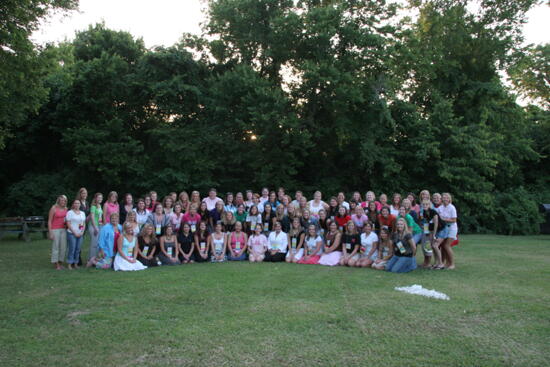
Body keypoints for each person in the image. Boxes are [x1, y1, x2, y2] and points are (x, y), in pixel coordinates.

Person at [437, 193, 458, 270]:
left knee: (447, 245)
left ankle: (452, 264)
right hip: (444, 228)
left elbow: (454, 220)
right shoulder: (440, 208)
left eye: (447, 198)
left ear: (449, 199)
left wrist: (443, 219)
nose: (445, 199)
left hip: (452, 228)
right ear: (441, 199)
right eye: (443, 197)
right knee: (443, 246)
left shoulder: (452, 207)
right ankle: (445, 263)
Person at [418, 199, 441, 269]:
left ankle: (440, 263)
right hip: (431, 230)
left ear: (429, 205)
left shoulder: (433, 211)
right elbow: (427, 223)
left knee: (435, 246)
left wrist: (434, 234)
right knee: (432, 246)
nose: (425, 206)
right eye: (423, 204)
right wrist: (426, 232)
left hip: (440, 229)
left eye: (426, 204)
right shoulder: (424, 212)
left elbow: (436, 224)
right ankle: (436, 263)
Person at [48, 195, 68, 270]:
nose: (63, 202)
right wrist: (50, 232)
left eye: (64, 200)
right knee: (55, 247)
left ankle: (60, 263)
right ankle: (56, 264)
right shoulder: (53, 208)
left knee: (63, 247)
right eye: (61, 200)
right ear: (58, 201)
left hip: (64, 229)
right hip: (55, 229)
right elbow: (49, 221)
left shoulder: (66, 209)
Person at [65, 199, 86, 270]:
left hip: (80, 234)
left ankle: (76, 263)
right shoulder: (70, 212)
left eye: (78, 203)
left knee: (78, 249)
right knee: (72, 249)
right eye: (75, 203)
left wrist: (82, 232)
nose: (77, 204)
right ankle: (70, 263)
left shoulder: (82, 213)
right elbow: (68, 223)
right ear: (73, 204)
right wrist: (74, 233)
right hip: (71, 233)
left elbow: (84, 223)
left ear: (80, 205)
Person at [88, 193, 103, 261]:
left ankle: (96, 258)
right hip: (94, 226)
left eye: (101, 198)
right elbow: (92, 217)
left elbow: (100, 217)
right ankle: (91, 259)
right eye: (98, 198)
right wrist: (95, 227)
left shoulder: (99, 206)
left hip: (99, 225)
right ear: (95, 198)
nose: (100, 199)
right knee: (94, 243)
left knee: (97, 243)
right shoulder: (93, 206)